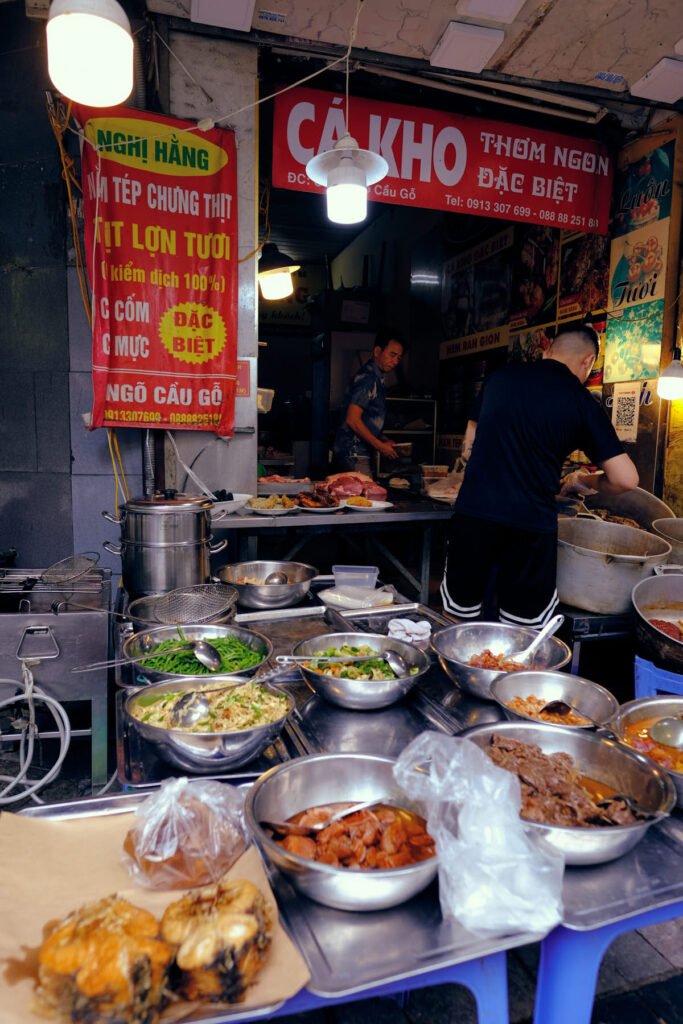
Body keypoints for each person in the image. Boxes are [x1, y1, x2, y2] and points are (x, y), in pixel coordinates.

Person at [440, 324, 639, 627]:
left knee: (457, 615)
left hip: (475, 512)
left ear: (548, 350)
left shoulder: (501, 378)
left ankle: (450, 670)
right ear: (588, 361)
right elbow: (626, 479)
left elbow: (470, 442)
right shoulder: (581, 401)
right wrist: (584, 481)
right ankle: (513, 673)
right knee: (522, 627)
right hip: (531, 524)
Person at [332, 329, 405, 477]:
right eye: (392, 355)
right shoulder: (368, 379)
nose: (395, 361)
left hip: (356, 453)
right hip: (353, 453)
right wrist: (380, 446)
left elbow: (366, 420)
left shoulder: (377, 379)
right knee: (362, 498)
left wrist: (384, 441)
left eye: (399, 357)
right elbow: (352, 420)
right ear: (378, 351)